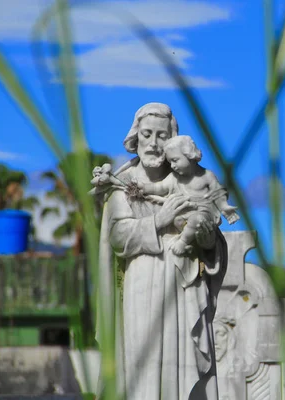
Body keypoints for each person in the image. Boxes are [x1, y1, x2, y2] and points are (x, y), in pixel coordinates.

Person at [93, 103, 227, 400]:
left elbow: (213, 242)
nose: (153, 144)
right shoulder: (122, 184)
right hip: (143, 282)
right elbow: (117, 236)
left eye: (162, 136)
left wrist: (206, 240)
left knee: (183, 365)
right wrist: (159, 221)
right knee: (144, 362)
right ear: (135, 138)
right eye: (147, 134)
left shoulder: (189, 180)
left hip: (184, 284)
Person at [136, 135, 240, 256]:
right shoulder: (174, 177)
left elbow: (217, 193)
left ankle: (183, 242)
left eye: (175, 160)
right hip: (181, 218)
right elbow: (158, 187)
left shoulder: (206, 176)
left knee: (197, 220)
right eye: (170, 162)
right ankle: (189, 244)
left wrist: (225, 208)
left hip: (202, 215)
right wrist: (143, 187)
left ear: (189, 155)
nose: (172, 166)